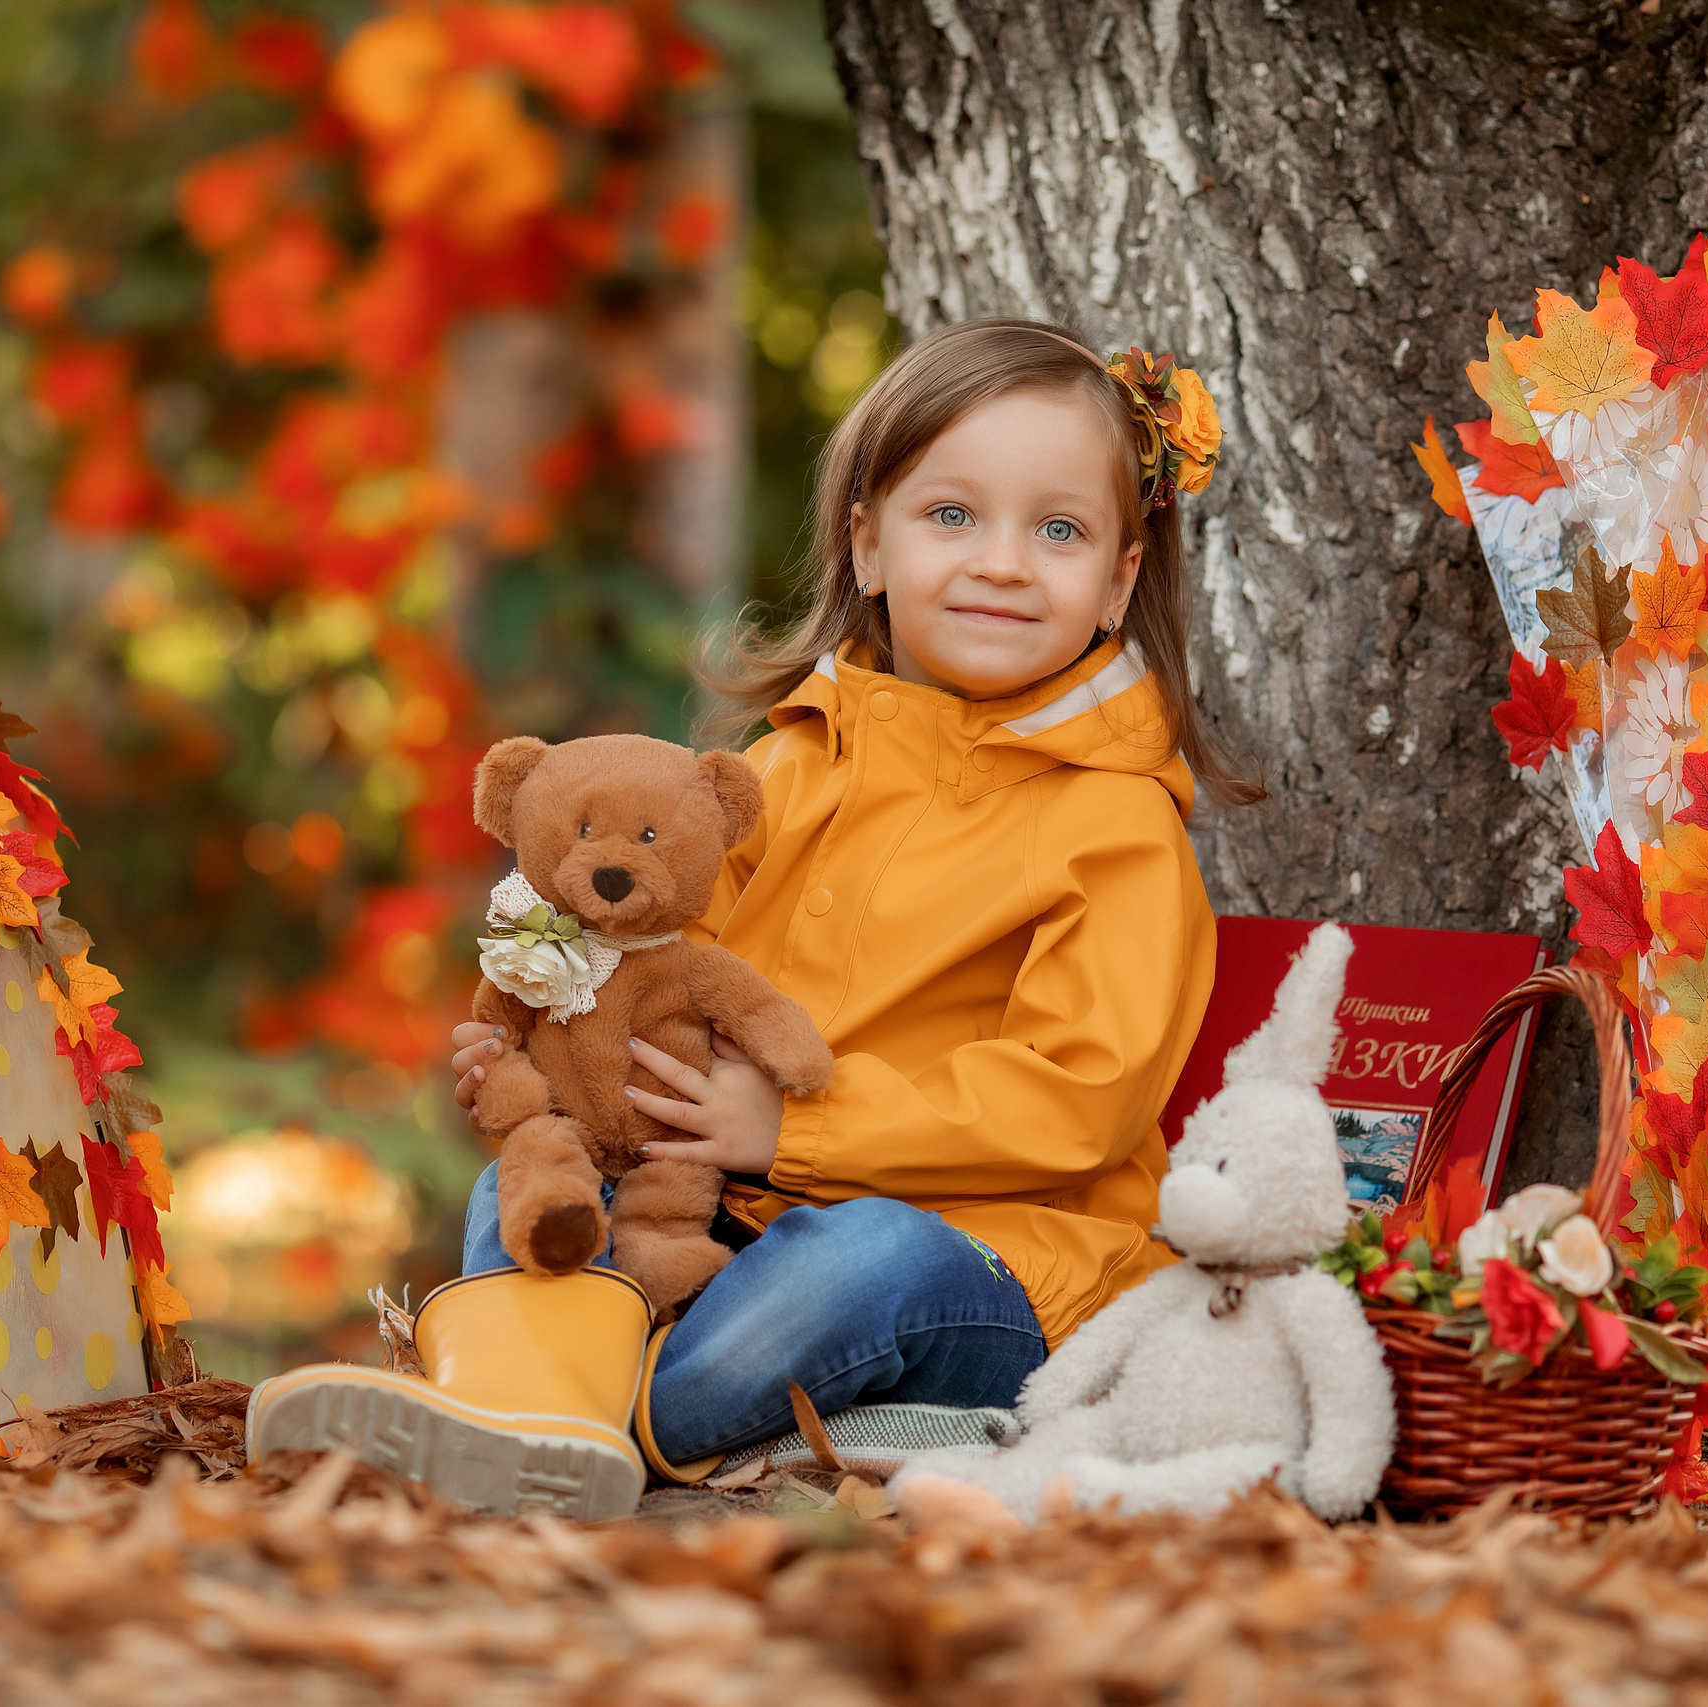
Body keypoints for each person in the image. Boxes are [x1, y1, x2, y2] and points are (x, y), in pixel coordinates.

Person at [246, 319, 1262, 1517]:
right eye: (952, 516)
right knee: (536, 1180)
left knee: (859, 1256)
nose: (1002, 562)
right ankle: (533, 1414)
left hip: (981, 1269)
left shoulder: (1115, 827)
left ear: (1119, 580)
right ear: (867, 545)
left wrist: (788, 1132)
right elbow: (651, 959)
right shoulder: (775, 772)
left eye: (1058, 530)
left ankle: (559, 1425)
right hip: (720, 1219)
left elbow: (1079, 1099)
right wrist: (548, 1055)